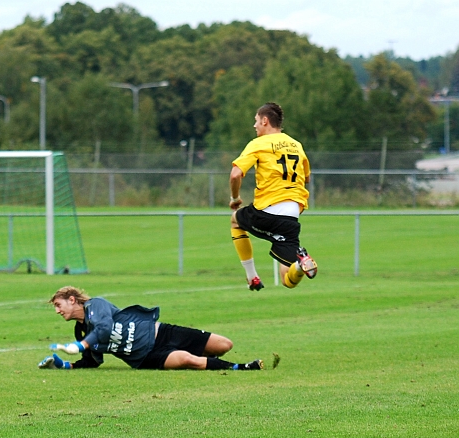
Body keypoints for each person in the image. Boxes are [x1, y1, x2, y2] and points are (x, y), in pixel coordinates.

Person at [38, 286, 277, 371]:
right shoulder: (81, 332)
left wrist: (81, 345)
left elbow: (104, 327)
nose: (58, 311)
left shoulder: (96, 306)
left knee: (225, 345)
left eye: (59, 305)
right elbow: (92, 361)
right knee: (187, 360)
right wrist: (63, 364)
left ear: (72, 299)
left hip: (161, 332)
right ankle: (242, 367)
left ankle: (215, 360)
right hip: (147, 356)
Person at [229, 102, 317, 291]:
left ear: (265, 121)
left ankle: (252, 277)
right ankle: (302, 265)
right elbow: (307, 177)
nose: (254, 126)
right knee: (288, 279)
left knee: (236, 221)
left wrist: (234, 198)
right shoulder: (296, 145)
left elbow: (235, 174)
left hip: (268, 209)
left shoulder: (258, 144)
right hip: (291, 216)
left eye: (256, 121)